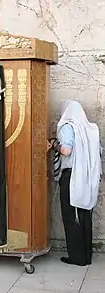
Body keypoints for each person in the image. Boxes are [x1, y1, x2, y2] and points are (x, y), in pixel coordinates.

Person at [51, 99, 102, 266]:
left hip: (71, 176)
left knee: (71, 215)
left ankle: (76, 257)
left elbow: (66, 150)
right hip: (88, 177)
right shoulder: (91, 129)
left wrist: (54, 145)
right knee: (84, 214)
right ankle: (86, 255)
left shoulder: (68, 127)